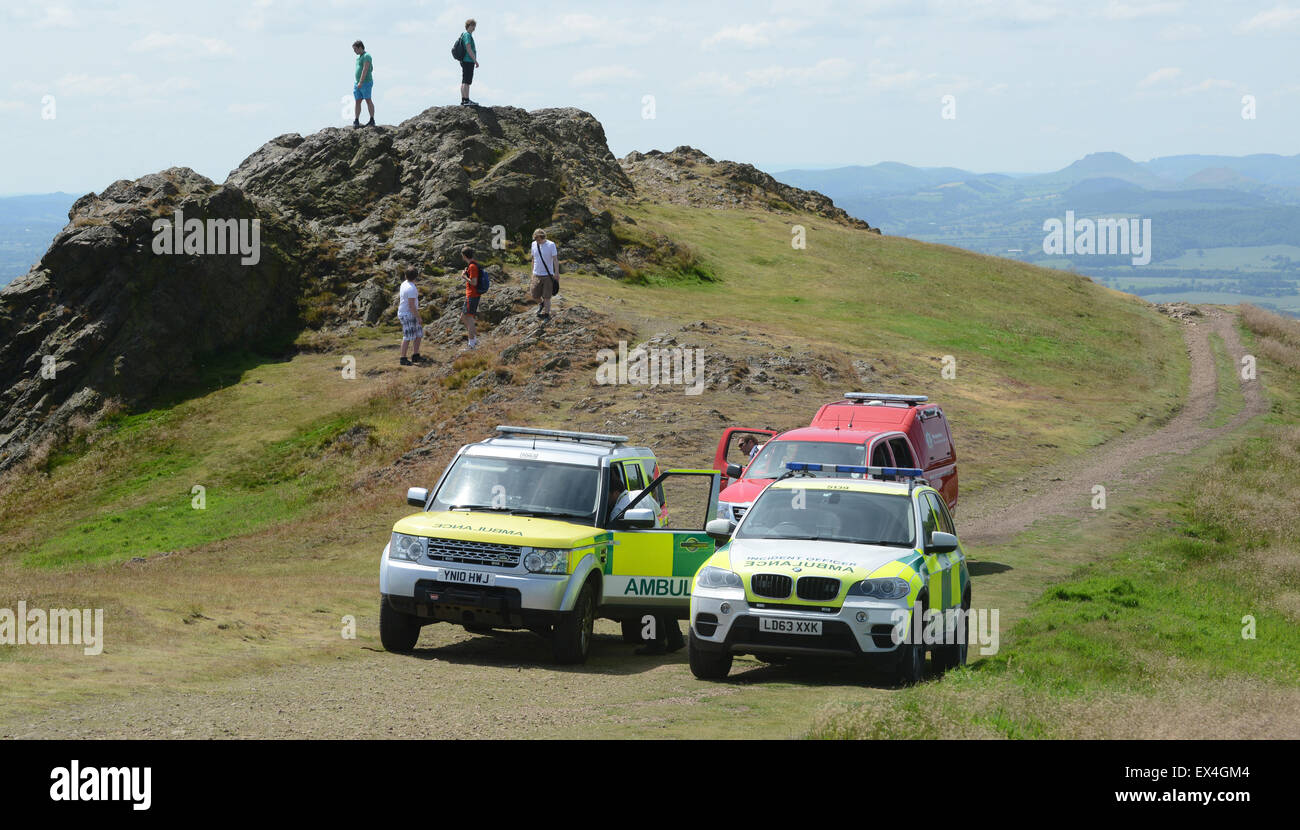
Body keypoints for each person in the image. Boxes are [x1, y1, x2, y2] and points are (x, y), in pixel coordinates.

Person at [529, 228, 558, 321]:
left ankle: (546, 314)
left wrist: (557, 273)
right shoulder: (533, 244)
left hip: (548, 275)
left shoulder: (551, 245)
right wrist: (532, 272)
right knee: (534, 294)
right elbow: (533, 259)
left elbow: (555, 260)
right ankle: (541, 304)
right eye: (536, 239)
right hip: (536, 274)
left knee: (547, 296)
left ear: (542, 237)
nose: (537, 241)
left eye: (538, 239)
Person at [397, 266, 423, 365]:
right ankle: (403, 358)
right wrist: (419, 317)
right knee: (407, 336)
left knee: (419, 333)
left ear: (405, 275)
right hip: (407, 314)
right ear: (416, 277)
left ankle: (415, 356)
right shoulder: (411, 288)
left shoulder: (404, 284)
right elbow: (412, 306)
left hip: (409, 313)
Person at [461, 247, 481, 349]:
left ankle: (471, 344)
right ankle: (474, 339)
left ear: (464, 256)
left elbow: (474, 282)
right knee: (464, 317)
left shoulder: (472, 266)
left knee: (468, 318)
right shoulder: (473, 264)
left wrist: (464, 277)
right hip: (472, 295)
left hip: (472, 295)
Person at [352, 40, 375, 128]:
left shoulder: (367, 56)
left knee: (368, 100)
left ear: (360, 47)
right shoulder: (358, 57)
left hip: (365, 82)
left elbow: (366, 69)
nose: (354, 51)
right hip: (357, 83)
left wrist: (361, 81)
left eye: (355, 49)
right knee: (357, 101)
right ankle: (356, 120)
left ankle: (372, 119)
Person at [458, 19, 480, 107]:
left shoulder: (464, 34)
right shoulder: (467, 35)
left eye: (474, 26)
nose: (474, 28)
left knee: (465, 80)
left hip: (465, 60)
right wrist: (475, 60)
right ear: (468, 26)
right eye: (472, 26)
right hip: (468, 60)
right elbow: (468, 48)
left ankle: (464, 99)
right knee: (467, 81)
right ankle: (466, 100)